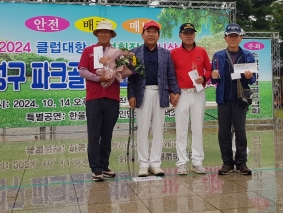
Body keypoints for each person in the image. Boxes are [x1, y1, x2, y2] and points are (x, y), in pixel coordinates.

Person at [128, 21, 181, 177]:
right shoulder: (134, 53)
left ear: (158, 35)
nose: (151, 34)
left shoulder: (165, 53)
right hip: (142, 93)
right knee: (142, 130)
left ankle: (155, 163)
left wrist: (175, 91)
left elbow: (171, 74)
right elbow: (130, 78)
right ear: (142, 34)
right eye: (148, 31)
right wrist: (131, 95)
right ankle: (143, 164)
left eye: (154, 32)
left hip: (160, 93)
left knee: (158, 129)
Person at [211, 23, 256, 175]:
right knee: (224, 132)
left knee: (240, 131)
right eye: (230, 36)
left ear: (241, 38)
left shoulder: (248, 55)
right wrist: (213, 77)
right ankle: (227, 163)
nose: (233, 39)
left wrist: (250, 76)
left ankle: (241, 163)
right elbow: (214, 79)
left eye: (236, 36)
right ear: (225, 38)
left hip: (240, 99)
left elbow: (252, 79)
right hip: (223, 98)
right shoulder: (218, 55)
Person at [78, 21, 121, 182]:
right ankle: (95, 168)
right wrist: (99, 78)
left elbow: (123, 72)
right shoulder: (89, 51)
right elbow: (82, 71)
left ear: (111, 35)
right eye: (100, 31)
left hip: (112, 97)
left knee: (107, 134)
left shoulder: (117, 53)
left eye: (107, 32)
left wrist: (118, 73)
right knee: (94, 134)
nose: (103, 34)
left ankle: (104, 165)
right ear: (97, 34)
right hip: (94, 97)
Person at [170, 23, 212, 175]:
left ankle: (197, 161)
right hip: (182, 93)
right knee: (181, 129)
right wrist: (172, 92)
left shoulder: (202, 51)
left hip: (198, 92)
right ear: (180, 35)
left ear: (195, 35)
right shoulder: (174, 53)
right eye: (186, 32)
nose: (189, 35)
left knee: (197, 127)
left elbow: (210, 69)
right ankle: (181, 162)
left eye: (192, 33)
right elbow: (170, 74)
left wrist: (204, 77)